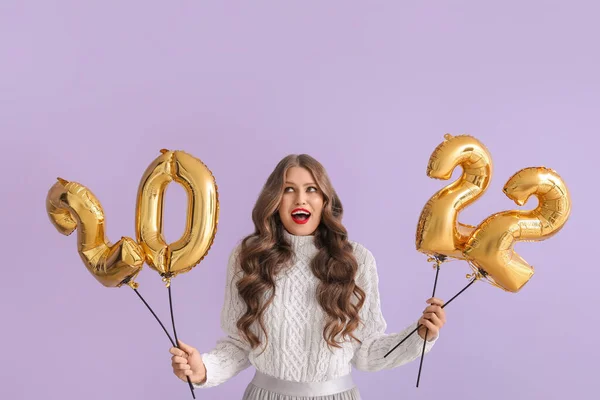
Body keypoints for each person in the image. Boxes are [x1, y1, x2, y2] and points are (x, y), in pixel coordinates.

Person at [169, 154, 446, 399]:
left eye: (311, 189)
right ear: (274, 201)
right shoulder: (248, 257)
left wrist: (419, 336)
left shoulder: (356, 260)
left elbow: (367, 352)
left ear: (325, 199)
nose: (300, 198)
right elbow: (239, 344)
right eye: (288, 189)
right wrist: (203, 369)